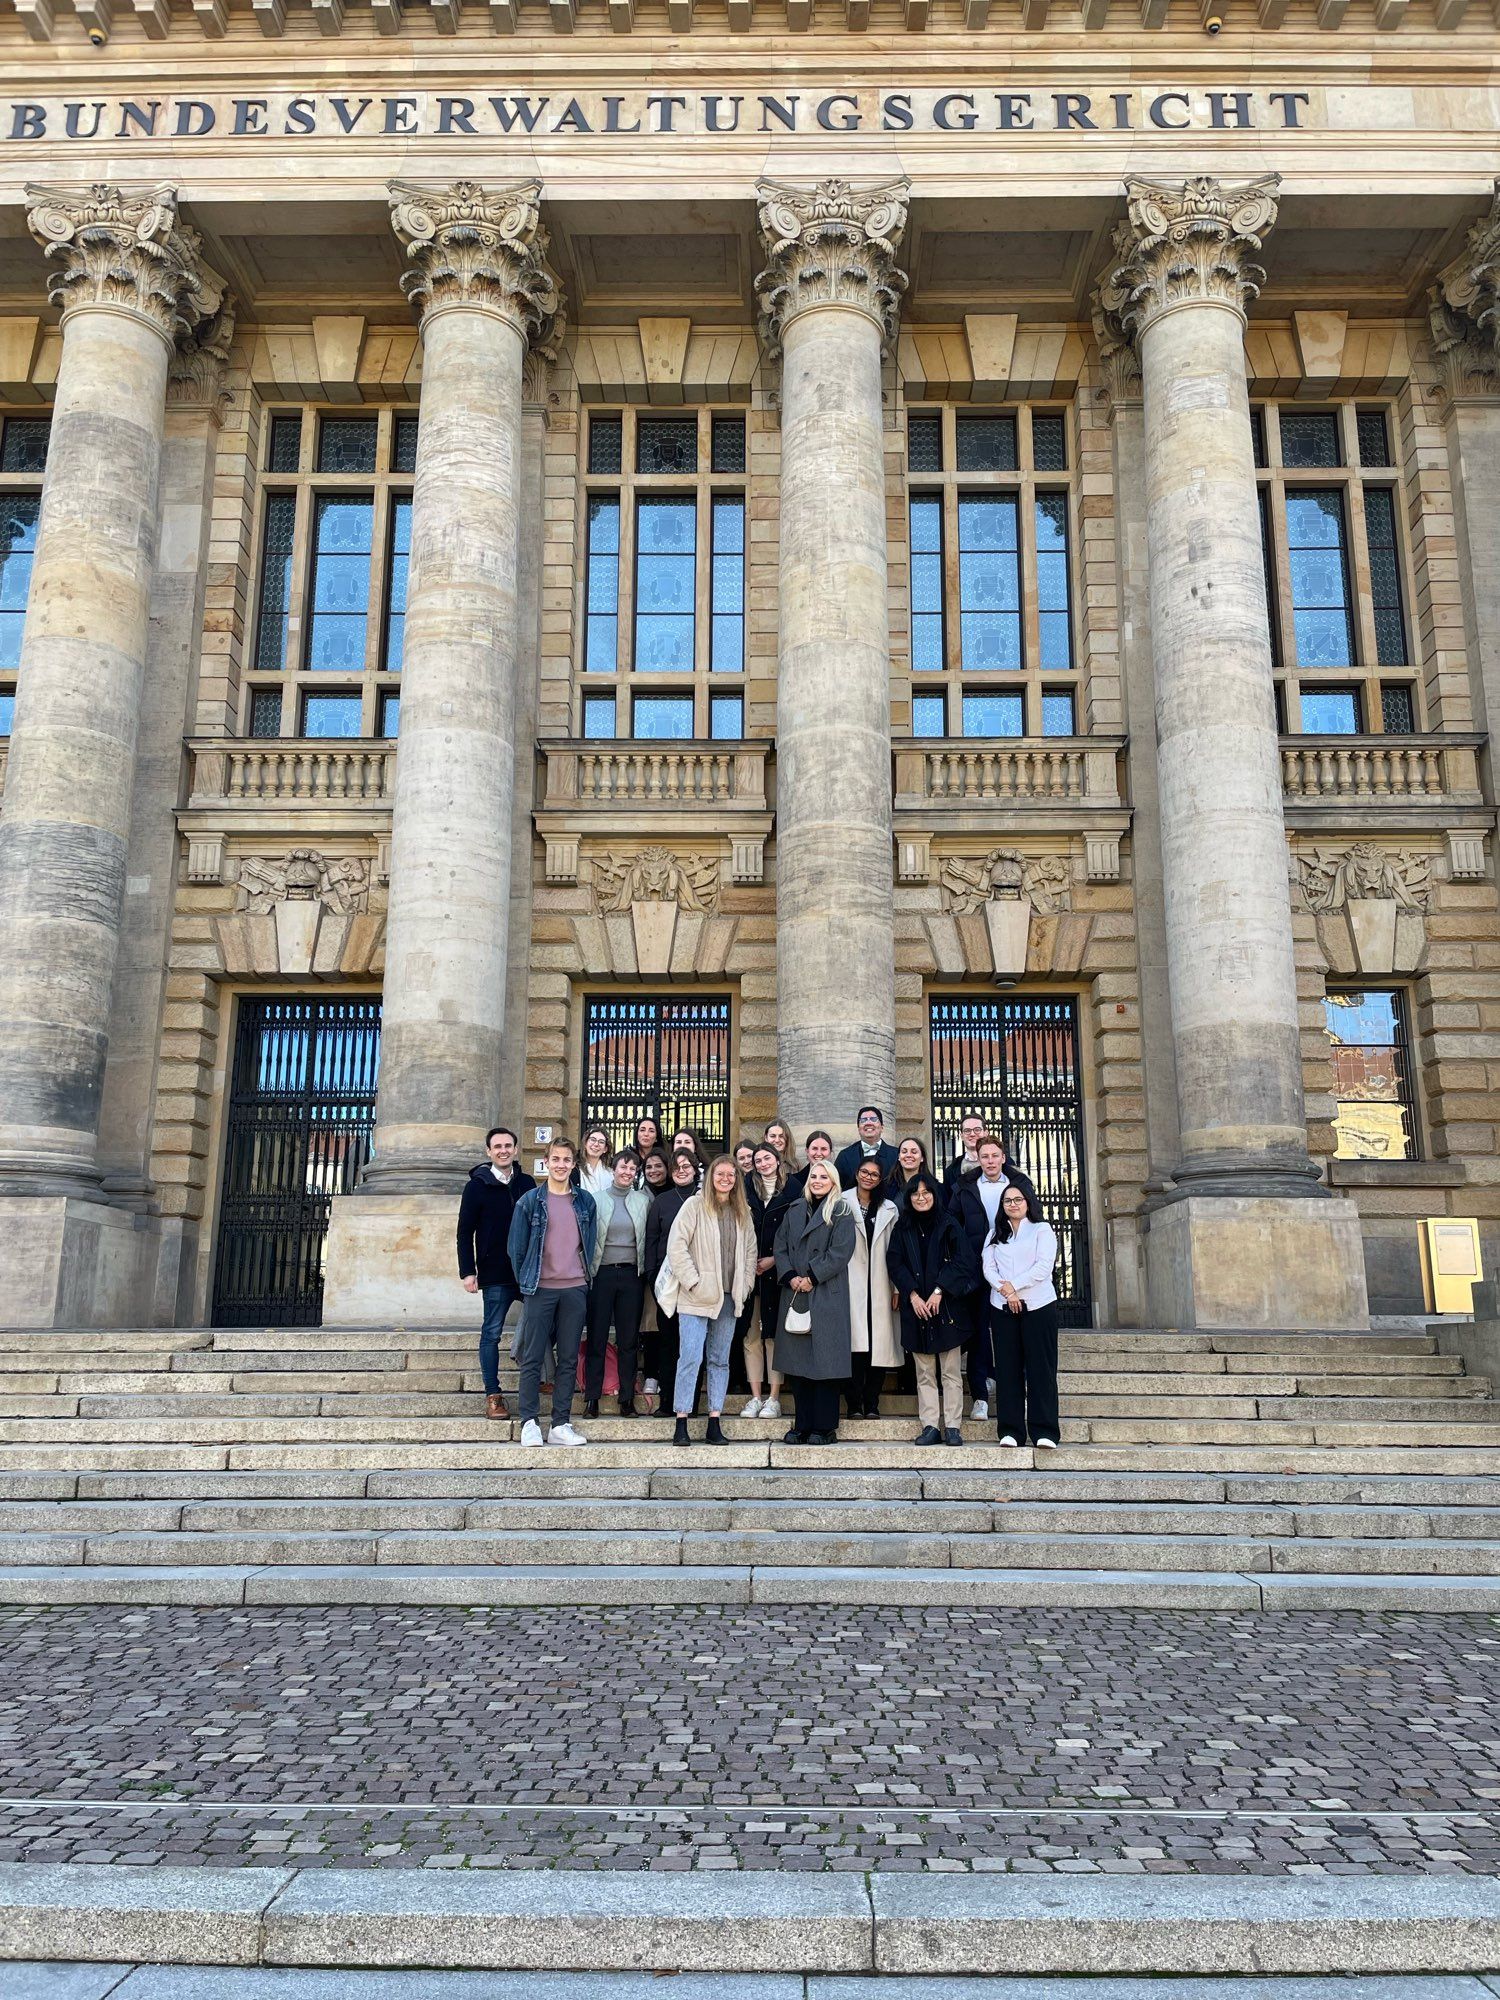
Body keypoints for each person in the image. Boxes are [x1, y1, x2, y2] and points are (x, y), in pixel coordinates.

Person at [506, 1136, 598, 1448]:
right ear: (547, 1162)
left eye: (566, 1160)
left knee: (569, 1359)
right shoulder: (529, 1201)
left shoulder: (586, 1202)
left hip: (574, 1289)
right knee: (532, 1358)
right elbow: (516, 1250)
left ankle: (560, 1423)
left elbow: (589, 1245)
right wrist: (529, 1283)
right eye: (555, 1159)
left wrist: (584, 1282)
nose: (561, 1165)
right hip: (540, 1289)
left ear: (574, 1164)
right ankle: (529, 1421)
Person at [665, 1154, 757, 1446]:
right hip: (696, 1297)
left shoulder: (743, 1212)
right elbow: (676, 1246)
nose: (726, 1179)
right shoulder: (694, 1206)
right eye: (721, 1174)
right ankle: (682, 1420)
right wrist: (693, 1281)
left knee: (719, 1360)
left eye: (731, 1175)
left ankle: (714, 1420)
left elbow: (751, 1253)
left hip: (729, 1298)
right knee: (690, 1357)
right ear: (711, 1176)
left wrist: (744, 1287)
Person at [950, 1135, 1040, 1420]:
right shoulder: (965, 1186)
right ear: (977, 1157)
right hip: (976, 1270)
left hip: (1014, 1270)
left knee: (1017, 1333)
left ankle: (1019, 1391)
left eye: (994, 1155)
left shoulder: (1019, 1185)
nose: (989, 1160)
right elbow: (953, 1223)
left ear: (1003, 1157)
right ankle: (980, 1397)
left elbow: (1035, 1219)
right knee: (978, 1333)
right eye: (984, 1156)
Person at [888, 1172, 977, 1446]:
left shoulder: (949, 1224)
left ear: (934, 1195)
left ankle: (952, 1426)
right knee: (924, 1372)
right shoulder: (902, 1228)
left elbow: (963, 1262)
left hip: (946, 1309)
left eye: (926, 1193)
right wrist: (912, 1295)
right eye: (915, 1194)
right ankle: (930, 1426)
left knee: (950, 1371)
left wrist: (939, 1290)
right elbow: (894, 1262)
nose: (921, 1197)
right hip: (917, 1309)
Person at [773, 1157, 856, 1445]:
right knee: (799, 1367)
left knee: (826, 1365)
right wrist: (790, 1276)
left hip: (825, 1293)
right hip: (795, 1292)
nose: (817, 1181)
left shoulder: (842, 1211)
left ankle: (824, 1427)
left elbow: (841, 1252)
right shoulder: (794, 1209)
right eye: (813, 1177)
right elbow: (780, 1246)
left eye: (823, 1177)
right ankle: (802, 1424)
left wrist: (811, 1275)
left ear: (833, 1181)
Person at [456, 1126, 536, 1421]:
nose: (503, 1150)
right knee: (491, 1333)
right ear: (489, 1152)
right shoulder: (476, 1186)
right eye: (497, 1146)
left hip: (527, 1270)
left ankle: (539, 1378)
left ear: (516, 1149)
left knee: (543, 1325)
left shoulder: (527, 1183)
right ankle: (493, 1394)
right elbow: (464, 1232)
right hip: (494, 1271)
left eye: (508, 1145)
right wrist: (468, 1271)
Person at [982, 1181, 1061, 1450]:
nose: (1013, 1204)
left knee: (1041, 1370)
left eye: (1017, 1199)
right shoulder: (994, 1234)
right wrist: (1006, 1291)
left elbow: (1043, 1267)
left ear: (1028, 1202)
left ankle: (1045, 1431)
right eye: (1007, 1201)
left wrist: (1013, 1286)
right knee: (1007, 1370)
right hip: (1002, 1308)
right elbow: (988, 1268)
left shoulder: (1042, 1230)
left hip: (1038, 1306)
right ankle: (1011, 1430)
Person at [584, 1149, 650, 1418]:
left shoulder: (642, 1202)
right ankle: (592, 1397)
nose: (627, 1172)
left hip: (632, 1276)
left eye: (633, 1169)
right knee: (597, 1338)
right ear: (613, 1169)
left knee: (628, 1341)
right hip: (602, 1274)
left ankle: (626, 1398)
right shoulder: (596, 1200)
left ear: (636, 1174)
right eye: (623, 1167)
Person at [841, 1155, 901, 1420]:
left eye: (874, 1174)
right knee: (855, 1346)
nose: (868, 1177)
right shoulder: (842, 1202)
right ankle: (853, 1403)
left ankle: (872, 1403)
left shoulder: (889, 1208)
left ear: (880, 1179)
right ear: (856, 1173)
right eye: (864, 1172)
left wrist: (897, 1288)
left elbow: (898, 1252)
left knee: (879, 1346)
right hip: (850, 1282)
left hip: (880, 1283)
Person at [643, 1148, 699, 1410]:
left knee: (693, 1345)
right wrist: (653, 1276)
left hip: (698, 1283)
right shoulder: (662, 1202)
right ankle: (667, 1401)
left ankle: (691, 1403)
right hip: (667, 1283)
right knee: (668, 1342)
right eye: (677, 1167)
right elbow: (652, 1241)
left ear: (696, 1168)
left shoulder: (704, 1199)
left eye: (687, 1165)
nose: (682, 1170)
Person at [741, 1142, 787, 1417]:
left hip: (779, 1275)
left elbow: (795, 1234)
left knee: (774, 1336)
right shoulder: (746, 1189)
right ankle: (755, 1396)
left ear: (778, 1160)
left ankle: (774, 1397)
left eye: (767, 1158)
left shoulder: (792, 1189)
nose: (762, 1163)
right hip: (750, 1273)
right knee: (751, 1336)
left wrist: (775, 1260)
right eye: (758, 1160)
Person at [833, 1106, 899, 1193]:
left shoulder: (896, 1155)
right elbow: (836, 1189)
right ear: (858, 1128)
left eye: (873, 1119)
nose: (868, 1122)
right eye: (863, 1120)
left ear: (882, 1127)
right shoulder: (845, 1156)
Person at [942, 1114, 989, 1196]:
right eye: (967, 1130)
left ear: (986, 1133)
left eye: (977, 1130)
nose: (972, 1134)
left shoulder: (1004, 1162)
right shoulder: (951, 1171)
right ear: (962, 1136)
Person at [784, 1128, 835, 1201]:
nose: (818, 1153)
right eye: (814, 1148)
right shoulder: (794, 1182)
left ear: (830, 1152)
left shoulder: (838, 1181)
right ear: (807, 1151)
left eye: (824, 1149)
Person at [887, 1135, 930, 1202]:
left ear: (922, 1158)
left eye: (914, 1152)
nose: (908, 1155)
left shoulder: (935, 1187)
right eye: (904, 1152)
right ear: (899, 1157)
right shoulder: (886, 1186)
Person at [576, 1125, 615, 1200]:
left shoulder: (610, 1171)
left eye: (601, 1142)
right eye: (593, 1140)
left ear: (605, 1149)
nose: (596, 1144)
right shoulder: (574, 1168)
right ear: (585, 1144)